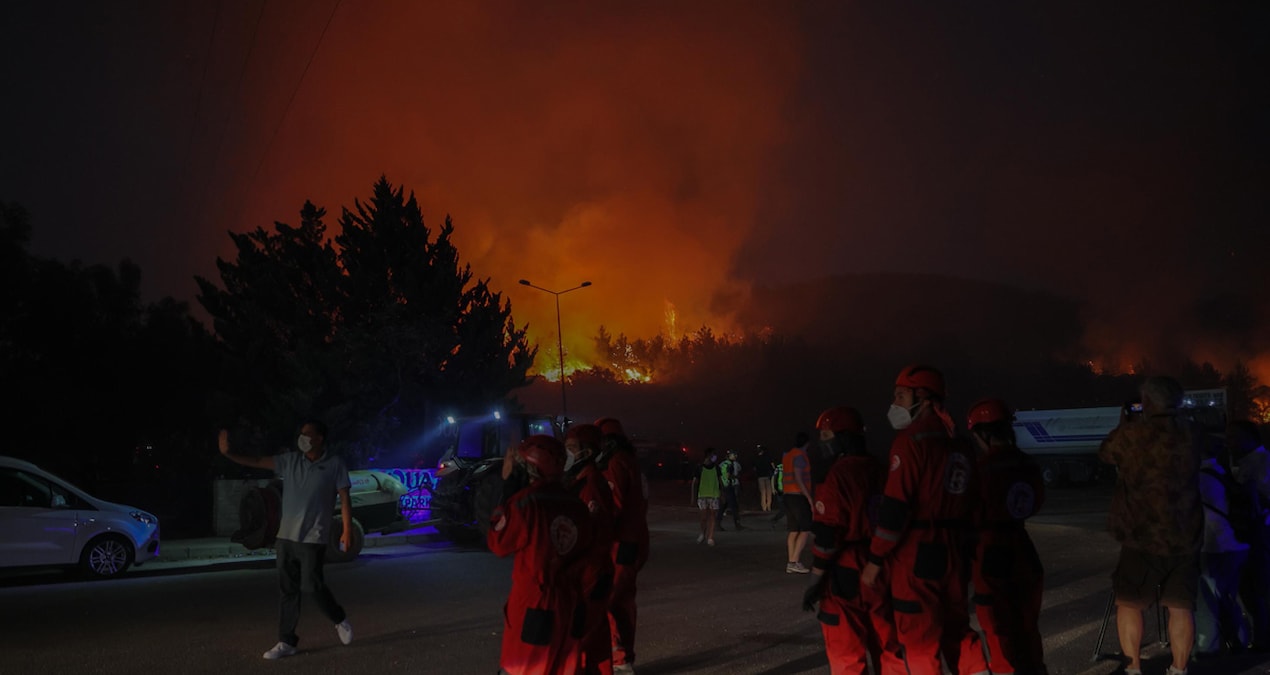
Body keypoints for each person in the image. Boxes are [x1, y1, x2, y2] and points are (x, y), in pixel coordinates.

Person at [860, 365, 988, 675]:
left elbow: (894, 510)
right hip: (954, 551)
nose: (895, 404)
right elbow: (973, 502)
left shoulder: (911, 442)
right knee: (956, 627)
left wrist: (875, 560)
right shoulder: (958, 443)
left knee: (919, 637)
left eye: (901, 396)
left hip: (918, 553)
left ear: (924, 398)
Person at [217, 422, 354, 660]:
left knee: (312, 586)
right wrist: (229, 454)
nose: (302, 438)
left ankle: (338, 618)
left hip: (313, 537)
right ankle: (286, 641)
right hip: (285, 537)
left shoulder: (334, 464)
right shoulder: (290, 460)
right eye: (301, 434)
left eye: (308, 434)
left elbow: (344, 498)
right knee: (287, 590)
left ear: (320, 438)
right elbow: (258, 461)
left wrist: (347, 530)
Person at [1098, 375, 1204, 675]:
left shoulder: (1132, 435)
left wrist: (1125, 422)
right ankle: (1179, 669)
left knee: (1130, 602)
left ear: (1147, 402)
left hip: (1141, 535)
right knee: (1181, 605)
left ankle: (1133, 668)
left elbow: (1105, 453)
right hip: (1185, 534)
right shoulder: (1193, 432)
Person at [802, 406, 905, 675]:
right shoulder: (881, 468)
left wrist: (814, 582)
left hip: (845, 571)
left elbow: (827, 537)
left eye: (826, 435)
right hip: (880, 565)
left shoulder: (835, 475)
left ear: (842, 437)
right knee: (888, 647)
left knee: (846, 652)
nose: (821, 443)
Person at [489, 434, 596, 675]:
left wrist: (505, 493)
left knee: (523, 669)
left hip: (535, 604)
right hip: (570, 601)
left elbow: (498, 543)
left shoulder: (525, 504)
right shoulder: (576, 505)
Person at [966, 398, 1048, 675]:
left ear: (982, 434)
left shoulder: (981, 469)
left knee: (998, 628)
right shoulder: (1027, 463)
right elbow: (1036, 501)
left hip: (991, 554)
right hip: (1023, 548)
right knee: (1027, 624)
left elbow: (970, 510)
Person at [595, 417, 650, 675]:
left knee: (611, 601)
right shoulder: (631, 462)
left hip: (622, 544)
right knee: (624, 601)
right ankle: (624, 657)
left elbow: (613, 506)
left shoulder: (615, 463)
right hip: (635, 540)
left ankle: (620, 659)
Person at [564, 424, 617, 674]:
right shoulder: (581, 480)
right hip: (589, 571)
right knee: (592, 639)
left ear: (587, 451)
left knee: (588, 637)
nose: (567, 454)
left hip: (592, 572)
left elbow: (594, 530)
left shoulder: (592, 482)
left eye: (572, 449)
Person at [1194, 437, 1251, 656]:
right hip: (1236, 544)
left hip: (1213, 546)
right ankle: (1239, 640)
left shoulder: (1200, 477)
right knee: (1228, 596)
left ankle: (1208, 649)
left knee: (1206, 603)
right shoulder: (1223, 472)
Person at [1227, 420, 1270, 651]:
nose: (1229, 443)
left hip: (1258, 533)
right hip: (1253, 533)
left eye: (1235, 437)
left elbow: (1261, 499)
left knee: (1257, 586)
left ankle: (1263, 637)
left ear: (1251, 438)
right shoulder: (1249, 462)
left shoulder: (1262, 462)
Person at [782, 431, 814, 574]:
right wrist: (809, 497)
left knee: (793, 530)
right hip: (798, 496)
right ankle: (795, 561)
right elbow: (799, 477)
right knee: (805, 529)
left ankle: (791, 562)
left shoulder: (788, 455)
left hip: (788, 495)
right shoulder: (800, 456)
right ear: (807, 443)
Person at [691, 449, 722, 546]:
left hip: (714, 495)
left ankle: (710, 537)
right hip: (702, 495)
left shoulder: (717, 468)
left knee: (712, 516)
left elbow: (720, 481)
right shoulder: (699, 468)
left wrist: (723, 493)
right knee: (703, 517)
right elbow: (694, 483)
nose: (714, 457)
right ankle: (702, 533)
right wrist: (693, 496)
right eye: (713, 455)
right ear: (708, 456)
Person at [717, 450, 745, 531]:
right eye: (734, 455)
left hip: (724, 487)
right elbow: (728, 475)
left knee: (723, 506)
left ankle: (717, 523)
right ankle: (737, 524)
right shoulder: (730, 465)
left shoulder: (723, 464)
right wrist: (735, 477)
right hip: (729, 486)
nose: (735, 456)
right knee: (734, 506)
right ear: (729, 456)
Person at [755, 445, 775, 512]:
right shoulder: (767, 457)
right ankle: (769, 506)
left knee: (763, 493)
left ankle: (764, 507)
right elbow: (772, 466)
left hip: (760, 477)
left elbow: (754, 468)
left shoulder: (756, 458)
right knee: (769, 492)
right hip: (767, 476)